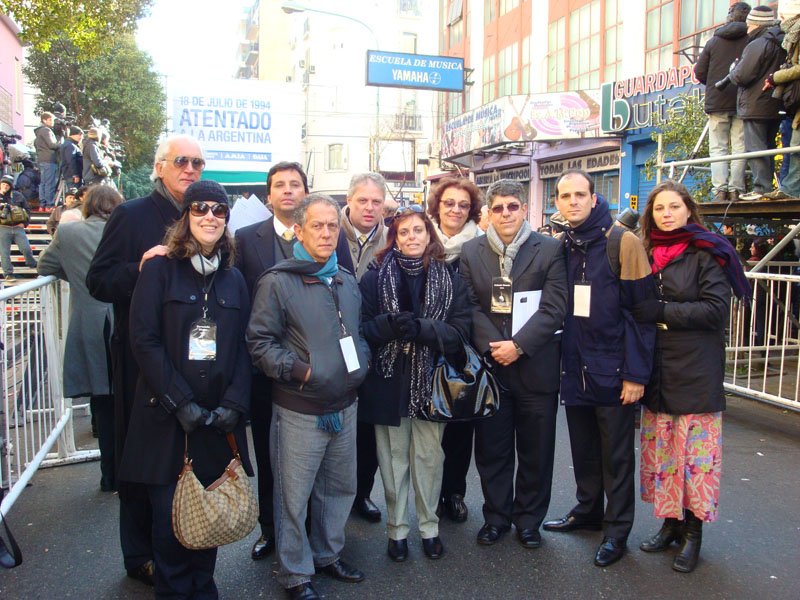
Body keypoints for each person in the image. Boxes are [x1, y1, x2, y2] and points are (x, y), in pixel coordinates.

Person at [122, 179, 252, 597]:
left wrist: (234, 403)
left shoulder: (234, 280)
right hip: (167, 420)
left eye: (219, 210)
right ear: (186, 217)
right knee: (171, 526)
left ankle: (204, 591)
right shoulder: (159, 270)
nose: (210, 217)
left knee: (207, 521)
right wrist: (180, 402)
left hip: (215, 422)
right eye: (201, 209)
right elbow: (144, 340)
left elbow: (244, 350)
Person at [87, 134, 205, 586]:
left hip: (192, 363)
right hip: (140, 363)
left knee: (184, 463)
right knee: (139, 462)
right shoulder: (131, 214)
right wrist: (139, 267)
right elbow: (98, 281)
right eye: (181, 161)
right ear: (160, 167)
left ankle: (182, 544)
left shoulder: (204, 216)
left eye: (197, 162)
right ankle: (139, 555)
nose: (190, 169)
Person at [247, 194, 370, 600]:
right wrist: (301, 371)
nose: (326, 233)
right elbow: (260, 343)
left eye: (332, 226)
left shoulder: (345, 281)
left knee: (339, 489)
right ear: (298, 230)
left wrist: (361, 364)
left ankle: (327, 554)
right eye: (316, 225)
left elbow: (358, 332)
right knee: (293, 499)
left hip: (345, 404)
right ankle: (294, 574)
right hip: (299, 408)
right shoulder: (278, 281)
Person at [633, 180, 750, 573]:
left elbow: (715, 310)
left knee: (694, 459)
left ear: (688, 210)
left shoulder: (707, 251)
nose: (666, 214)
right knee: (664, 453)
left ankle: (693, 534)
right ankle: (670, 525)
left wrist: (661, 312)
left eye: (674, 207)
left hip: (696, 369)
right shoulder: (646, 251)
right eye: (659, 208)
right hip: (658, 368)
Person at [542, 169, 656, 568]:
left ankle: (616, 530)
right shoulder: (563, 244)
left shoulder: (624, 243)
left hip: (614, 370)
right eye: (564, 196)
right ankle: (588, 510)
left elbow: (643, 316)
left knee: (618, 457)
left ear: (594, 198)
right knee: (584, 450)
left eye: (580, 195)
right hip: (575, 369)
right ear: (556, 202)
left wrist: (636, 375)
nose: (572, 202)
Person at [459, 179, 567, 549]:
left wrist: (519, 346)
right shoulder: (471, 252)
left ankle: (528, 521)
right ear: (489, 213)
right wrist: (496, 347)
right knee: (493, 451)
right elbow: (469, 305)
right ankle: (496, 518)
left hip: (536, 367)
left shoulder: (550, 249)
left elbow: (554, 308)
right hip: (493, 369)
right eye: (498, 207)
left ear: (524, 210)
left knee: (536, 452)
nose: (506, 213)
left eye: (513, 207)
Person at [359, 206, 471, 562]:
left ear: (429, 234)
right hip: (388, 382)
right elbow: (362, 329)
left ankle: (429, 527)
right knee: (393, 460)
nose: (412, 237)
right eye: (404, 231)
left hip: (431, 384)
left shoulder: (449, 277)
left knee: (428, 458)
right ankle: (397, 530)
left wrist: (424, 329)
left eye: (418, 230)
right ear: (394, 237)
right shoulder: (374, 277)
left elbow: (460, 331)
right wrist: (389, 325)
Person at [234, 161, 309, 562]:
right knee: (267, 450)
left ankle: (307, 530)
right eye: (279, 185)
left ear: (305, 192)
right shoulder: (246, 240)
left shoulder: (324, 233)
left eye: (295, 184)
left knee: (311, 454)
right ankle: (271, 529)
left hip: (312, 370)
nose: (287, 191)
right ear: (268, 196)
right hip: (264, 367)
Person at [37, 186, 123, 491]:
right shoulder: (124, 230)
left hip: (89, 323)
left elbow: (45, 266)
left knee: (101, 399)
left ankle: (109, 475)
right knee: (127, 397)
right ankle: (128, 471)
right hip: (125, 322)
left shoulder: (69, 233)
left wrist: (77, 278)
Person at [425, 176, 482, 523]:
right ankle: (427, 494)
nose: (456, 210)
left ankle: (454, 492)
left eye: (463, 205)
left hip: (464, 347)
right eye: (449, 203)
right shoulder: (421, 238)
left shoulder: (479, 246)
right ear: (437, 206)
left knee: (460, 427)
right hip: (426, 346)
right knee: (427, 429)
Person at [336, 172, 387, 523]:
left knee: (367, 428)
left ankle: (362, 494)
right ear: (349, 201)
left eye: (376, 202)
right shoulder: (328, 228)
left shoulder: (393, 238)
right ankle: (331, 500)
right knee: (332, 427)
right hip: (327, 342)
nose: (369, 208)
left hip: (373, 343)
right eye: (363, 200)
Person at [694, 2, 751, 203]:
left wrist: (711, 82)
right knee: (739, 146)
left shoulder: (713, 42)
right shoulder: (751, 39)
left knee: (718, 148)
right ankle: (736, 190)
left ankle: (719, 191)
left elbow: (699, 72)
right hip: (742, 100)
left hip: (717, 100)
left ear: (729, 15)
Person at [730, 5, 787, 200]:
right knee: (768, 147)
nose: (746, 29)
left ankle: (760, 188)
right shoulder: (780, 41)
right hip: (774, 103)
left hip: (755, 103)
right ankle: (768, 187)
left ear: (755, 24)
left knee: (756, 148)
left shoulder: (757, 44)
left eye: (748, 24)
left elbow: (742, 75)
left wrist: (734, 70)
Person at [762, 2, 800, 199]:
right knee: (795, 148)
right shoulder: (793, 36)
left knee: (796, 147)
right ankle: (790, 190)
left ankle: (790, 190)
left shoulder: (798, 33)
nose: (780, 22)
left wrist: (776, 77)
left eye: (783, 17)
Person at [0, 174, 36, 283]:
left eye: (7, 185)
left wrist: (25, 223)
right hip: (3, 228)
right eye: (3, 184)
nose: (5, 186)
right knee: (4, 253)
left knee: (26, 248)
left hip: (17, 227)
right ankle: (8, 274)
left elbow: (27, 210)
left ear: (11, 186)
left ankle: (31, 263)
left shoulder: (17, 196)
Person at [33, 111, 61, 209]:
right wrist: (60, 144)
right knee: (49, 183)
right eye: (50, 120)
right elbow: (52, 145)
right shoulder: (46, 130)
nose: (52, 122)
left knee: (43, 183)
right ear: (44, 120)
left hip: (41, 159)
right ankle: (49, 204)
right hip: (49, 160)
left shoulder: (39, 131)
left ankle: (42, 204)